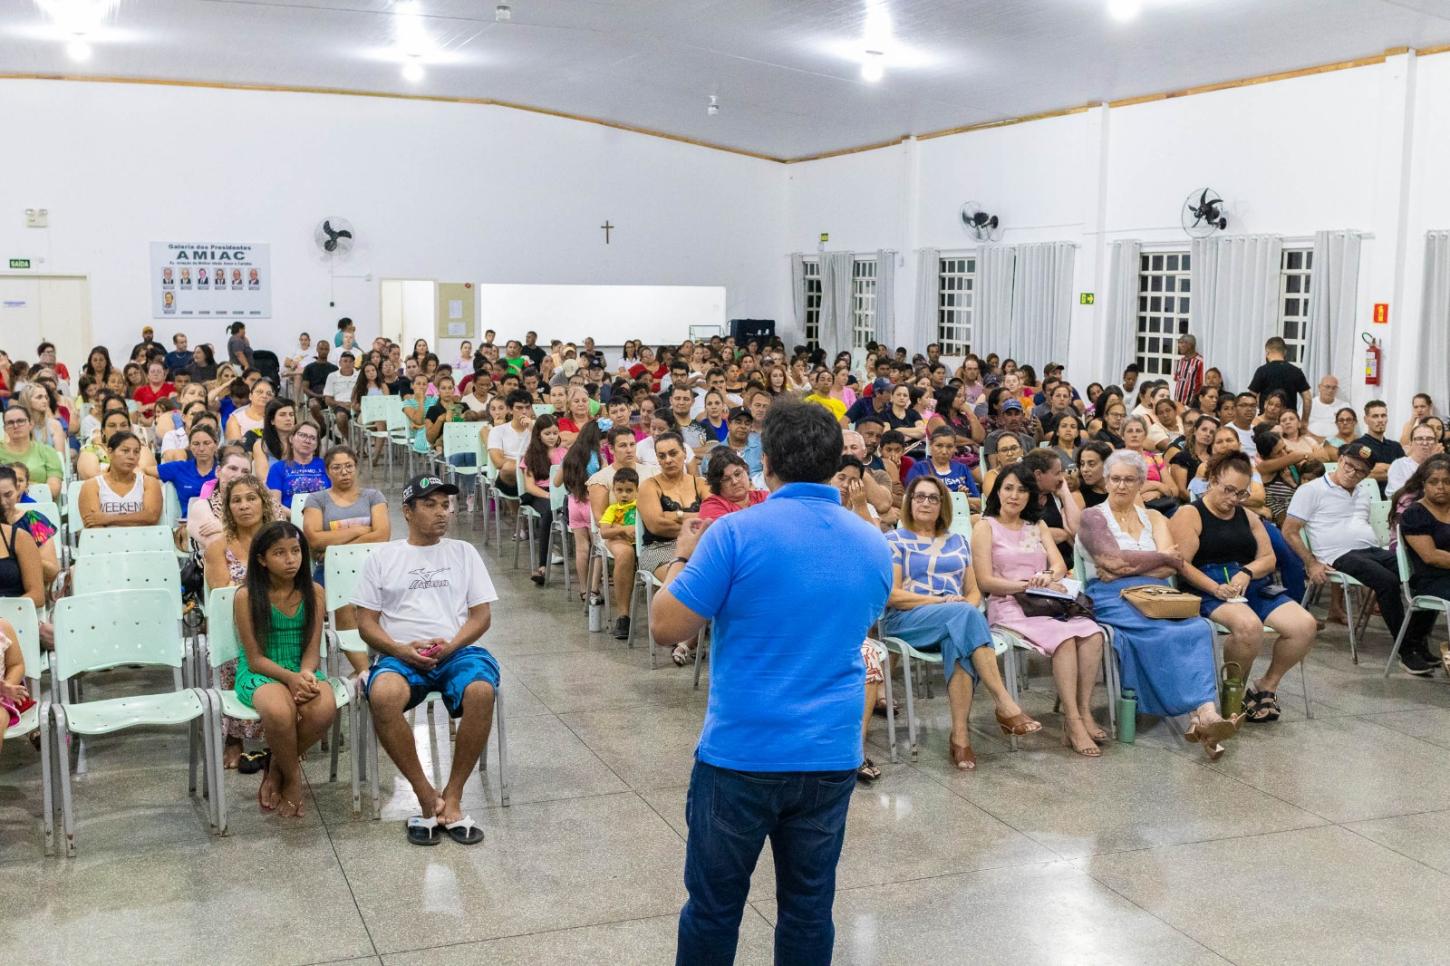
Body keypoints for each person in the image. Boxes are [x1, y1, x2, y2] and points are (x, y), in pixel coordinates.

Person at [644, 399, 890, 965]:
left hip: (742, 754)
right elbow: (860, 621)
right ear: (836, 463)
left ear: (768, 462)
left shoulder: (734, 534)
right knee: (808, 908)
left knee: (714, 908)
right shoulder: (872, 544)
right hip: (829, 753)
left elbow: (665, 626)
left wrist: (683, 556)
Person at [353, 474, 499, 847]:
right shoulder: (383, 557)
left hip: (456, 651)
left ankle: (453, 796)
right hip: (401, 654)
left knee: (481, 691)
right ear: (407, 511)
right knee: (383, 694)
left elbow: (481, 616)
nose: (442, 513)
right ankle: (424, 793)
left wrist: (451, 645)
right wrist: (401, 650)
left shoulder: (463, 552)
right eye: (430, 505)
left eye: (445, 505)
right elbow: (365, 623)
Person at [1077, 450, 1242, 759]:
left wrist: (1130, 565)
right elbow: (1110, 559)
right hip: (1110, 595)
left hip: (1158, 594)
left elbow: (1172, 566)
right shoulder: (1092, 516)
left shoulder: (1154, 517)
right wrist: (1159, 558)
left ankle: (1205, 714)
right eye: (1115, 479)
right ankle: (1200, 717)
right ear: (1106, 480)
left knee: (1196, 628)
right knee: (1164, 634)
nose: (1121, 486)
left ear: (1141, 482)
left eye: (1129, 479)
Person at [883, 474, 1043, 772]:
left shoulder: (957, 541)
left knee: (959, 638)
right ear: (909, 501)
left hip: (953, 619)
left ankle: (960, 737)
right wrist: (943, 603)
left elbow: (972, 593)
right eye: (919, 496)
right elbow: (893, 595)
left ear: (943, 504)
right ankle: (1004, 703)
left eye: (933, 497)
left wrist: (959, 607)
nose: (926, 503)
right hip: (907, 619)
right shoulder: (894, 539)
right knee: (964, 618)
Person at [1170, 451, 1318, 723]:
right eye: (1228, 490)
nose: (1233, 500)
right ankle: (1233, 692)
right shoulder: (1190, 513)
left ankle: (1266, 686)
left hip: (1249, 581)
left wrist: (1248, 572)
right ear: (1212, 480)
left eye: (1240, 493)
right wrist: (1215, 587)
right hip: (1207, 583)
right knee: (1249, 627)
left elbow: (1269, 558)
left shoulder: (1247, 516)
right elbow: (1182, 565)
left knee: (1304, 626)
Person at [973, 464, 1106, 756]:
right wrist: (1023, 586)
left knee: (1093, 633)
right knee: (1065, 639)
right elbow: (984, 581)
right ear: (997, 491)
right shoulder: (986, 526)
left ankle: (1083, 712)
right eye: (1008, 488)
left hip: (1042, 601)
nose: (1015, 496)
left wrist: (1049, 575)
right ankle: (1072, 721)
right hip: (1008, 605)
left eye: (1022, 490)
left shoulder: (1036, 526)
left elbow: (1059, 564)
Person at [1285, 445, 1439, 675]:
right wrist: (1311, 562)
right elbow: (1289, 531)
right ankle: (1406, 651)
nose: (1352, 473)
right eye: (1349, 465)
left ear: (1367, 475)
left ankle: (1417, 641)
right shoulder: (1311, 490)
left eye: (1360, 471)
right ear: (1340, 459)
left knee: (1426, 574)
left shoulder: (1362, 491)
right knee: (1386, 582)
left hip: (1371, 549)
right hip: (1338, 554)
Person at [233, 521, 335, 818]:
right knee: (279, 712)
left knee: (323, 709)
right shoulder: (246, 596)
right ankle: (292, 781)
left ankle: (275, 766)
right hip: (262, 671)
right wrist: (290, 678)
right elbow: (254, 658)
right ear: (262, 560)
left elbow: (313, 650)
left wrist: (304, 674)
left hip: (299, 668)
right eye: (279, 553)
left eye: (295, 551)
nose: (291, 560)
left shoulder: (314, 591)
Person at [205, 474, 279, 767]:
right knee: (233, 651)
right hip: (237, 626)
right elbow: (224, 598)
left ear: (263, 503)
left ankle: (282, 733)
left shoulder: (281, 539)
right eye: (236, 500)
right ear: (228, 508)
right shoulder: (218, 547)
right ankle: (233, 737)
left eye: (251, 498)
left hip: (278, 622)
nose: (244, 506)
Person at [637, 432, 709, 663]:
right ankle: (687, 640)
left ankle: (693, 638)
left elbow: (712, 517)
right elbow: (656, 525)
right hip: (658, 549)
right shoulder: (649, 486)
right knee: (692, 576)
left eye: (673, 453)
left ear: (684, 453)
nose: (668, 460)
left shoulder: (700, 483)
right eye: (662, 455)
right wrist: (692, 522)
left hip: (699, 547)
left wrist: (676, 514)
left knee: (719, 574)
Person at [1398, 455, 1450, 672]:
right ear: (1423, 485)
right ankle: (1411, 650)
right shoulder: (1415, 513)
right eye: (1434, 482)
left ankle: (1422, 645)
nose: (1441, 487)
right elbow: (1431, 556)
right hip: (1429, 579)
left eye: (1447, 481)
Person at [78, 431, 162, 528]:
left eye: (136, 452)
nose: (132, 456)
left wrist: (108, 518)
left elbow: (151, 516)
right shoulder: (92, 485)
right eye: (125, 451)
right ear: (110, 452)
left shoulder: (149, 482)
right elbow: (94, 524)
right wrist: (138, 517)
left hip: (143, 541)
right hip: (104, 541)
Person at [519, 415, 564, 586]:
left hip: (561, 492)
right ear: (538, 434)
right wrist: (548, 496)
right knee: (548, 513)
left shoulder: (563, 452)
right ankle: (542, 566)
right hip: (540, 494)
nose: (552, 437)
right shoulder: (531, 456)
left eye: (554, 433)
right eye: (547, 433)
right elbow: (530, 486)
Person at [0, 466, 59, 587]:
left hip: (26, 592)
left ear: (18, 489)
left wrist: (22, 556)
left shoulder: (34, 521)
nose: (2, 502)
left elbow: (52, 572)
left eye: (8, 495)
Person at [189, 447, 253, 550]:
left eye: (245, 471)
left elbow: (274, 538)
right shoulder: (202, 506)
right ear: (218, 471)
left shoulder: (261, 503)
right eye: (233, 468)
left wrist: (225, 527)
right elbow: (216, 544)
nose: (239, 475)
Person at [0, 408, 62, 500]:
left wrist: (17, 486)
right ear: (4, 428)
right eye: (10, 422)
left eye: (20, 421)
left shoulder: (47, 451)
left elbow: (53, 490)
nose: (15, 425)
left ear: (31, 424)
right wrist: (26, 484)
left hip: (40, 505)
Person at [265, 420, 327, 510]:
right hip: (290, 519)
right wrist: (296, 517)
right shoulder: (278, 468)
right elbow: (275, 505)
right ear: (291, 439)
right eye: (302, 435)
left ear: (317, 445)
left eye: (313, 438)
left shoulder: (326, 466)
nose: (307, 440)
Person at [1248, 336, 1311, 423]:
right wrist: (1304, 421)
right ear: (1285, 352)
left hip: (1266, 422)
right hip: (1288, 421)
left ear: (1267, 352)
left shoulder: (1262, 370)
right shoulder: (1296, 371)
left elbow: (1251, 397)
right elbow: (1307, 398)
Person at [155, 423, 219, 508]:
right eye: (196, 444)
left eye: (207, 443)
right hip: (187, 520)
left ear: (216, 445)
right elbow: (145, 471)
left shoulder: (225, 470)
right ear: (190, 446)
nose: (201, 449)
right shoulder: (180, 468)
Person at [905, 427, 980, 498]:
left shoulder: (962, 468)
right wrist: (955, 497)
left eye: (949, 446)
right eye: (939, 446)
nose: (944, 451)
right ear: (930, 446)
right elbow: (911, 499)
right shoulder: (919, 469)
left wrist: (962, 498)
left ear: (954, 448)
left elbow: (978, 502)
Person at [698, 449, 767, 521]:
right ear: (717, 485)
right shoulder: (711, 506)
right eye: (726, 479)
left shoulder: (763, 497)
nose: (735, 481)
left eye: (737, 474)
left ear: (746, 470)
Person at [486, 390, 533, 496]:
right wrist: (524, 464)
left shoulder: (536, 428)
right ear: (510, 410)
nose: (524, 412)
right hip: (510, 477)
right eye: (519, 408)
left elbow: (548, 454)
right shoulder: (497, 431)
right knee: (508, 468)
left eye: (527, 407)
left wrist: (533, 431)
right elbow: (498, 462)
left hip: (535, 471)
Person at [1390, 421, 1442, 497]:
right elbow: (1399, 496)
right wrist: (1429, 462)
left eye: (1429, 439)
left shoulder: (1442, 465)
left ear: (1436, 442)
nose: (1425, 443)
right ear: (1411, 443)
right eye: (1419, 439)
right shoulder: (1399, 465)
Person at [323, 350, 360, 439]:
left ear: (354, 363)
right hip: (340, 406)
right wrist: (342, 404)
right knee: (341, 417)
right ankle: (349, 441)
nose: (348, 364)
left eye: (350, 361)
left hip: (358, 404)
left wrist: (354, 404)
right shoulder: (332, 376)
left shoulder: (360, 375)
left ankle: (362, 446)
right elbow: (327, 399)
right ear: (340, 362)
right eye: (345, 361)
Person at [1073, 441, 1112, 508]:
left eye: (1091, 464)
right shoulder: (1077, 494)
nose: (1084, 469)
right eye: (1082, 464)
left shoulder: (1119, 489)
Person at [1172, 333, 1205, 405]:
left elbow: (1201, 384)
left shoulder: (1200, 362)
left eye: (1181, 343)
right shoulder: (1181, 361)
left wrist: (1194, 401)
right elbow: (1177, 379)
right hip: (1177, 402)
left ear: (1189, 345)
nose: (1179, 346)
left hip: (1191, 404)